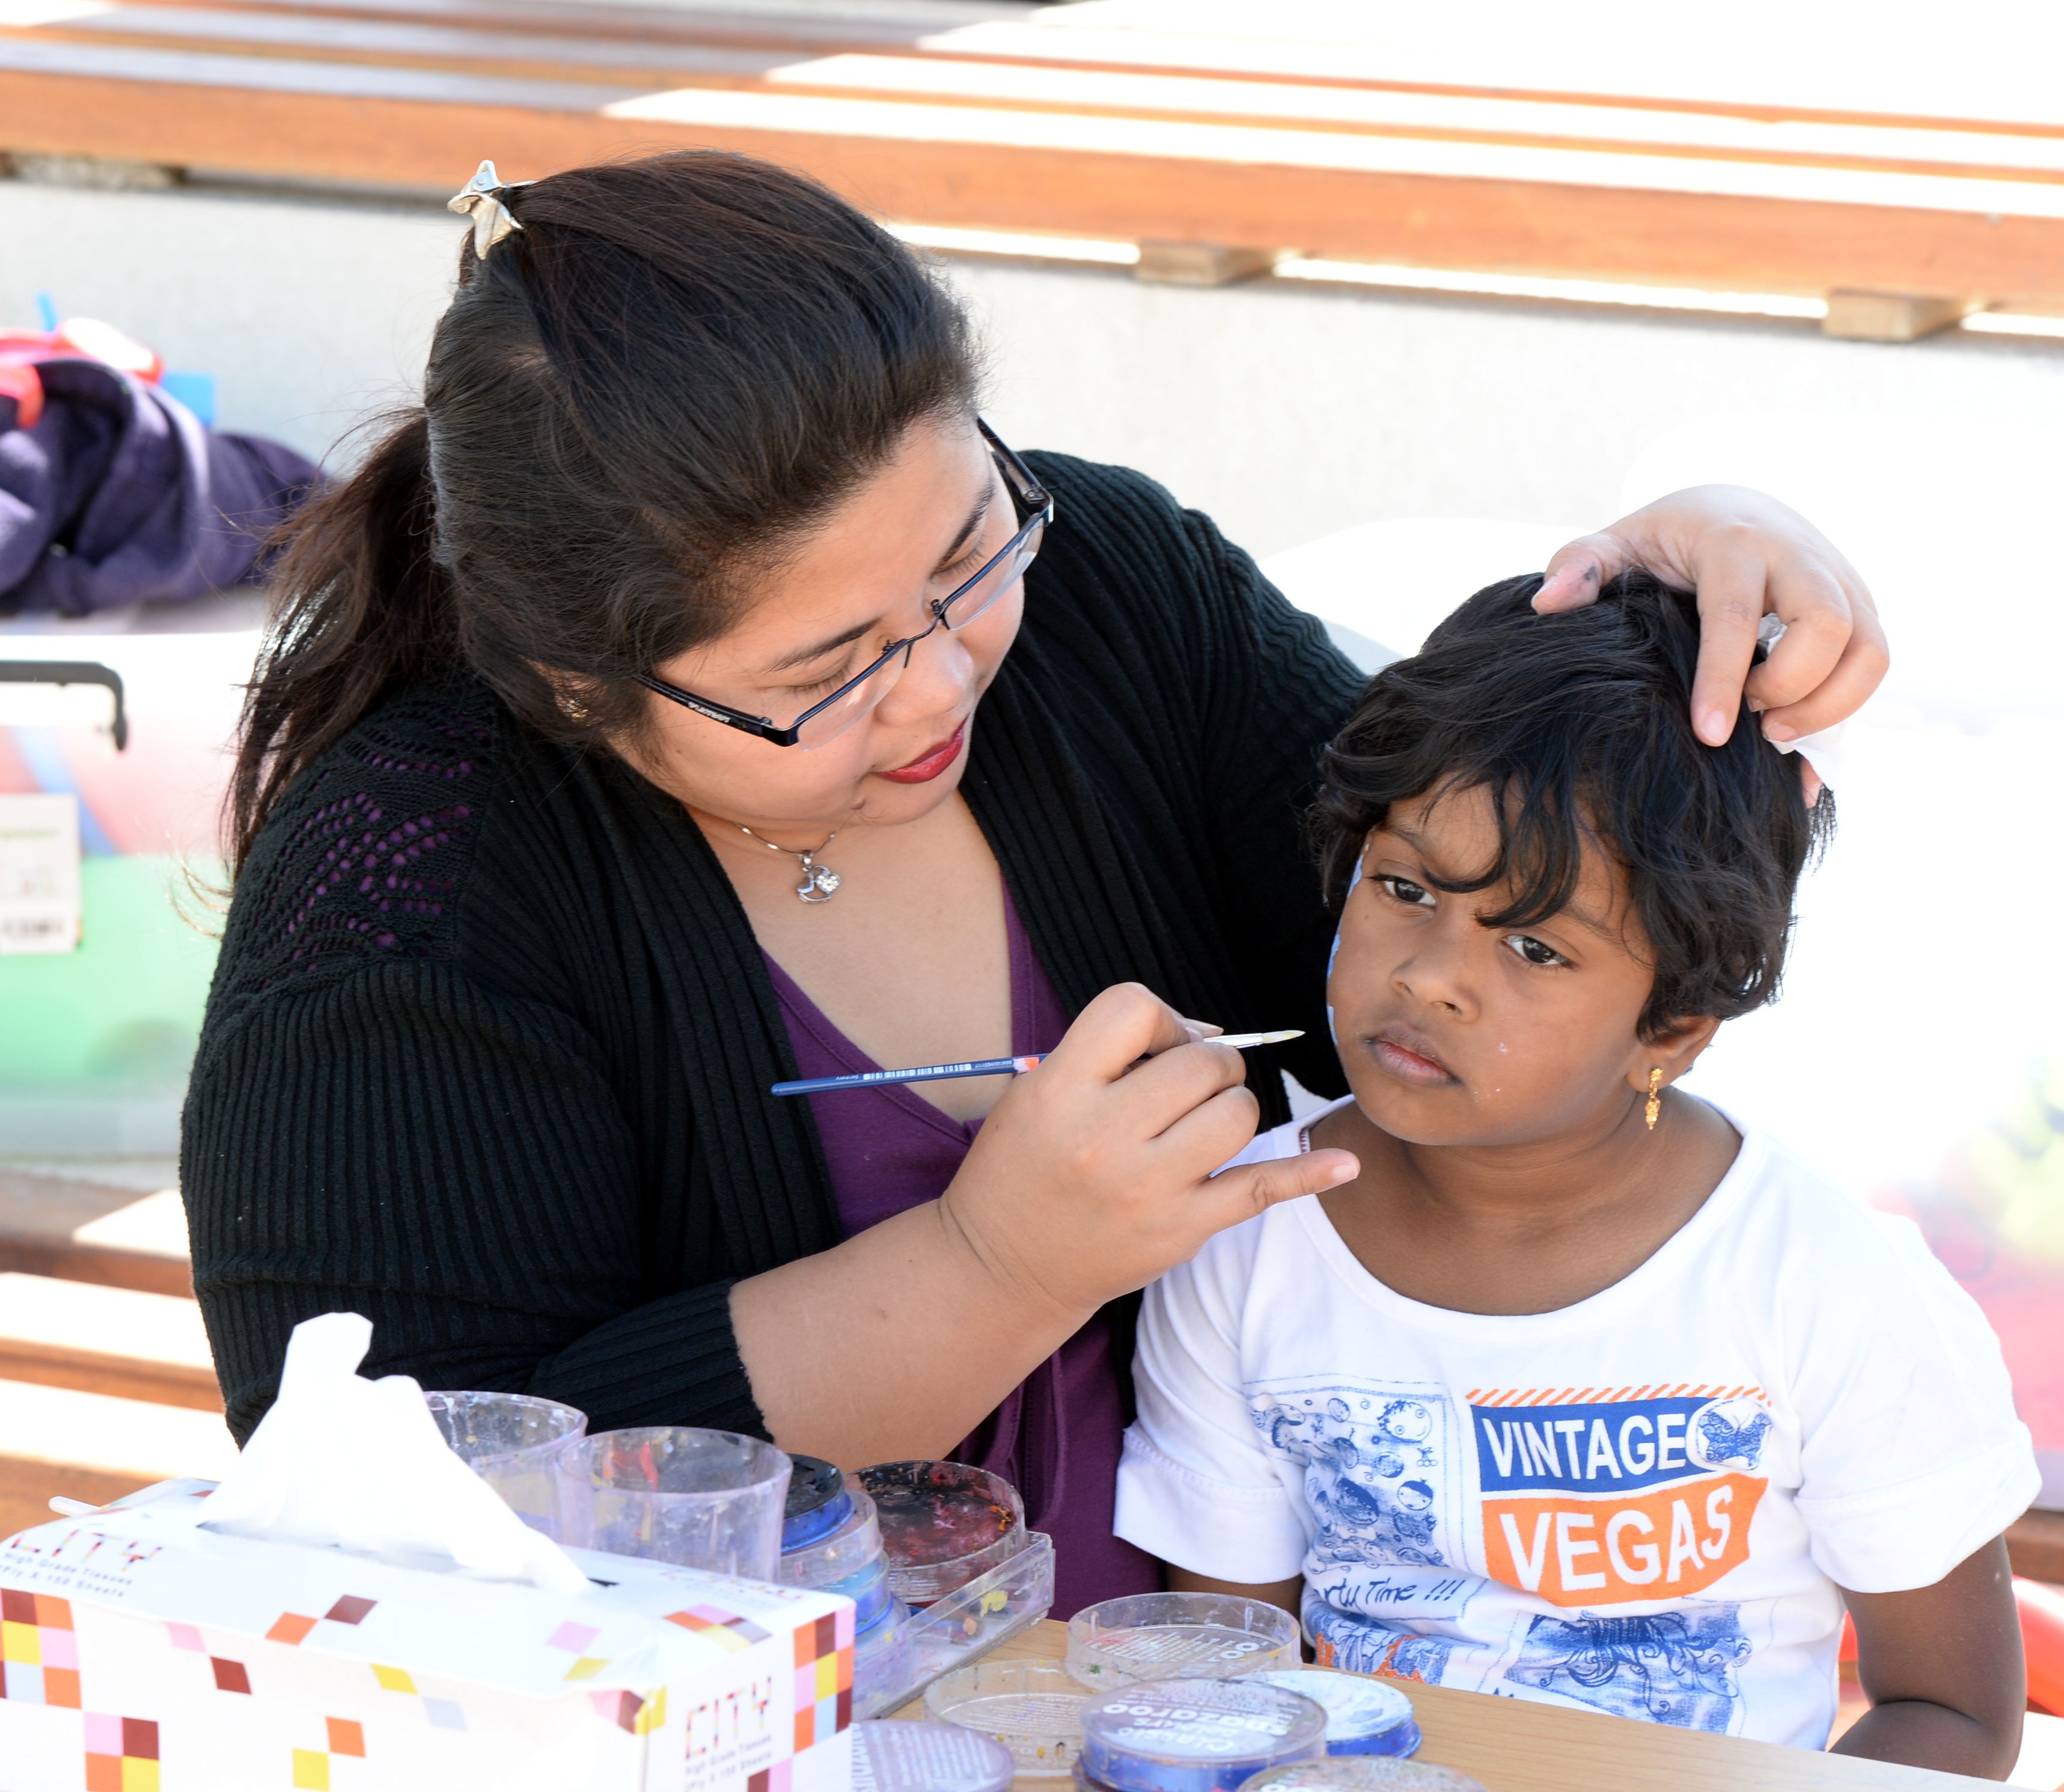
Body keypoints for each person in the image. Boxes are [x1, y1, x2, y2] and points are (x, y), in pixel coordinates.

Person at [183, 150, 1888, 1618]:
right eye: (827, 668)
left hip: (1254, 1698)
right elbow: (404, 1497)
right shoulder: (409, 884)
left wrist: (1672, 582)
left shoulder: (1107, 596)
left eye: (963, 551)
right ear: (575, 683)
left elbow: (1454, 867)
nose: (937, 683)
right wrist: (998, 1261)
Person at [1113, 572, 2035, 1773]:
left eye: (1536, 944)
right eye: (1405, 889)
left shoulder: (1828, 1285)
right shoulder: (1242, 1232)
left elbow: (1955, 1717)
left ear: (1673, 1026)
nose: (1431, 975)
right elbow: (1228, 1676)